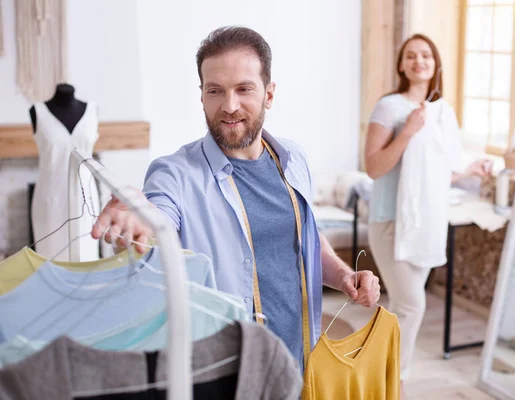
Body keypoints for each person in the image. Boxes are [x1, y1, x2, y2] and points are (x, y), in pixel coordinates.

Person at [91, 26, 380, 369]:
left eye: (244, 89)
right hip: (229, 372)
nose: (229, 106)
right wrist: (138, 216)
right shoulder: (176, 174)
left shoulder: (293, 158)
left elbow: (305, 238)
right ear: (202, 96)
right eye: (215, 91)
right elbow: (157, 217)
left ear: (269, 94)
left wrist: (343, 276)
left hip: (301, 359)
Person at [364, 33, 490, 380]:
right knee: (411, 304)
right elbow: (373, 167)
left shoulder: (442, 113)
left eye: (426, 56)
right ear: (402, 65)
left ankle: (374, 372)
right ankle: (393, 379)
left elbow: (434, 175)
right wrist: (407, 132)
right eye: (411, 56)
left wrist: (468, 170)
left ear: (435, 65)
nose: (419, 61)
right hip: (390, 221)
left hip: (423, 224)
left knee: (398, 309)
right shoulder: (389, 106)